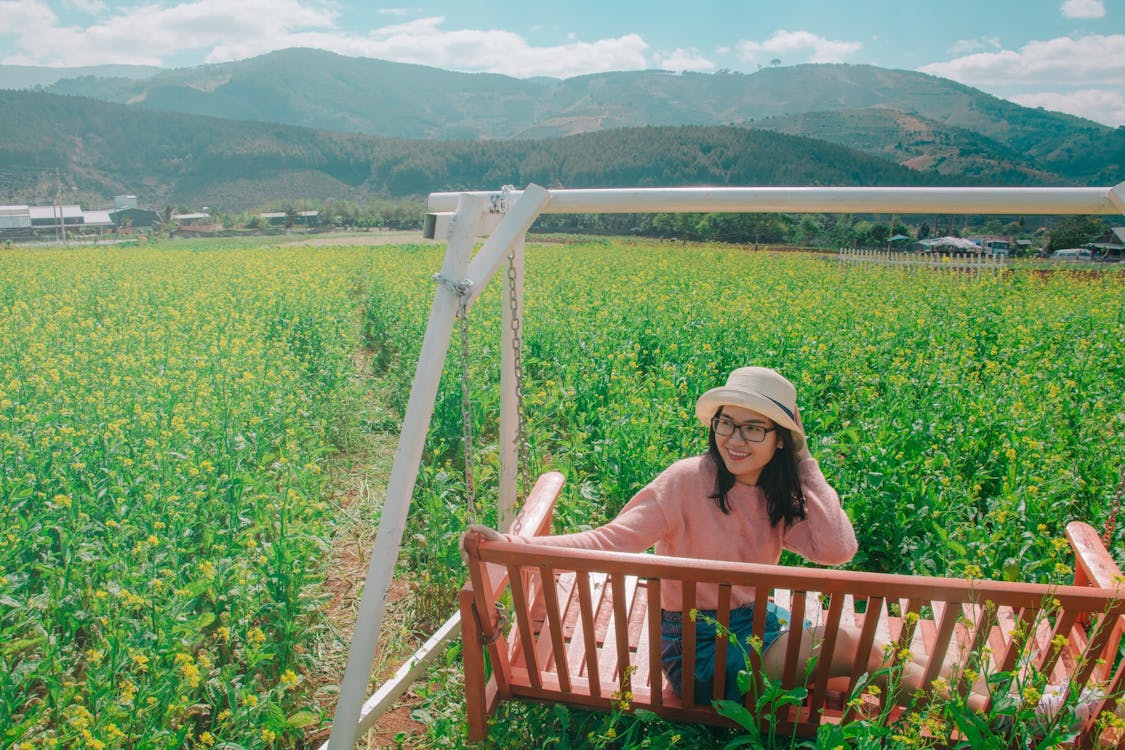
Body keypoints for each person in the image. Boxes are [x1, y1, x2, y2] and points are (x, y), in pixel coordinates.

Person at [461, 366, 1076, 720]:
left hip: (761, 627)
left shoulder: (783, 496)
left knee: (875, 660)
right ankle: (1009, 713)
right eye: (727, 423)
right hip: (699, 653)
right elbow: (609, 538)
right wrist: (511, 543)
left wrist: (806, 464)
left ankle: (995, 705)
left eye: (756, 428)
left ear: (781, 441)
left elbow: (837, 549)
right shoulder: (685, 481)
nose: (736, 438)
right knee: (863, 648)